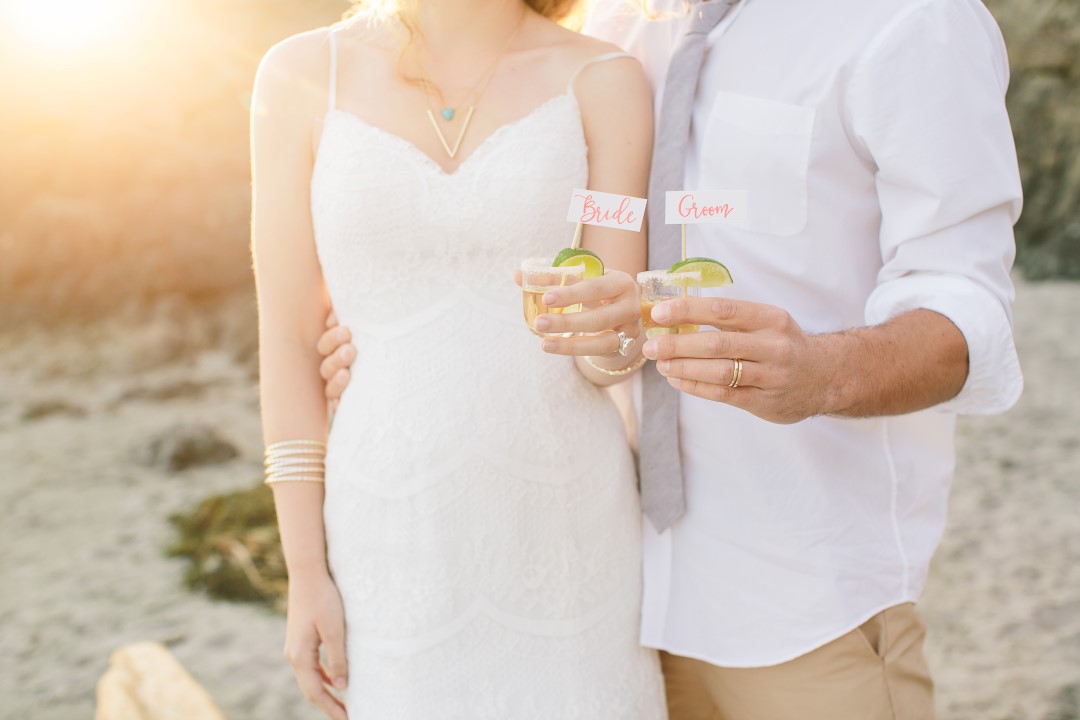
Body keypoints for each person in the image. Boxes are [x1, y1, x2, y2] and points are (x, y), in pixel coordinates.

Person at [319, 0, 1025, 717]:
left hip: (809, 605)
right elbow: (556, 232)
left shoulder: (911, 21)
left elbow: (966, 307)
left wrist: (820, 373)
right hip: (611, 599)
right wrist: (381, 343)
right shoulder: (607, 28)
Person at [250, 0, 670, 717]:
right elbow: (286, 339)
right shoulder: (298, 72)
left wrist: (615, 332)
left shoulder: (606, 79)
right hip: (388, 527)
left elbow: (612, 356)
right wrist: (304, 571)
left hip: (567, 529)